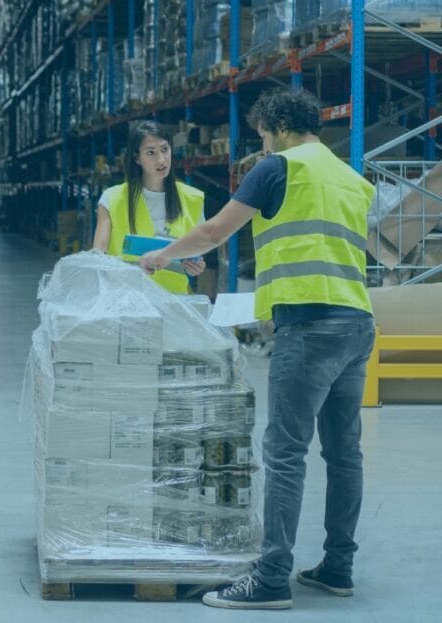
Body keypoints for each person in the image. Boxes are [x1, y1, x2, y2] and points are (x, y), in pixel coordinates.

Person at [138, 88, 376, 610]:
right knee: (343, 453)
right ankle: (339, 567)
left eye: (265, 135)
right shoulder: (353, 179)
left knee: (285, 454)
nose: (263, 145)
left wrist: (160, 256)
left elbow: (216, 231)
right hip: (356, 324)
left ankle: (270, 580)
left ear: (280, 126)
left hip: (309, 328)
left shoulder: (278, 169)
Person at [93, 120, 207, 293]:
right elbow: (97, 258)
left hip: (173, 302)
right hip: (127, 303)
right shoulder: (111, 200)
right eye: (151, 153)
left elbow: (194, 255)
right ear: (136, 157)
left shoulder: (193, 199)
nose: (161, 159)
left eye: (164, 149)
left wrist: (195, 266)